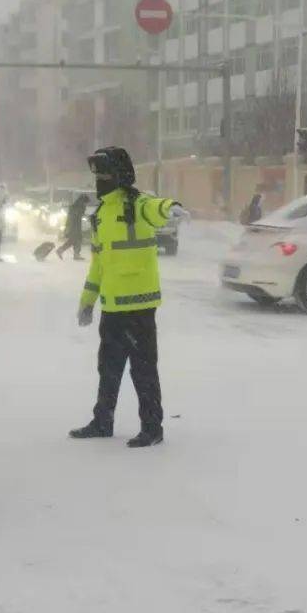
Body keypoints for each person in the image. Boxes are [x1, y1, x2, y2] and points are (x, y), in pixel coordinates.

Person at [70, 146, 187, 449]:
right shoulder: (101, 215)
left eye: (105, 174)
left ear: (119, 175)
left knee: (143, 370)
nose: (100, 180)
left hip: (139, 306)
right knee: (107, 369)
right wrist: (88, 300)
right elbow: (98, 263)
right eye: (97, 175)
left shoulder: (137, 204)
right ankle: (102, 421)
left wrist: (170, 206)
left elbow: (155, 207)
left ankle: (152, 427)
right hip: (112, 307)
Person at [56, 193, 90, 260]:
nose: (86, 205)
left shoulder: (77, 206)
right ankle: (65, 252)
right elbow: (76, 216)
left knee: (75, 240)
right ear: (83, 201)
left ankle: (74, 254)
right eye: (86, 203)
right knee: (75, 240)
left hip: (74, 225)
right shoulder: (77, 207)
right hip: (74, 226)